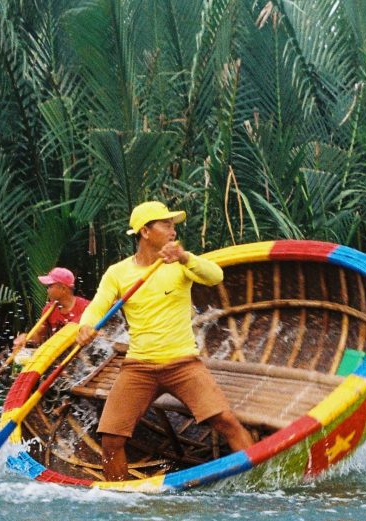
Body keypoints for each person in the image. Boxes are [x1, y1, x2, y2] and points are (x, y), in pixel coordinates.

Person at [76, 200, 254, 481]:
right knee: (111, 439)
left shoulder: (181, 263)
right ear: (145, 232)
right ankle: (120, 498)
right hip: (139, 366)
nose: (173, 231)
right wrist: (85, 326)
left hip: (182, 362)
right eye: (166, 225)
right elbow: (97, 306)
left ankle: (256, 479)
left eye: (174, 226)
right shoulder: (118, 272)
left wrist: (186, 258)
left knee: (226, 421)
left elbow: (215, 276)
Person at [14, 267, 90, 352]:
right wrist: (26, 337)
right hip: (59, 354)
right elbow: (39, 335)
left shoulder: (86, 307)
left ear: (63, 288)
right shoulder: (48, 309)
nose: (47, 290)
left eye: (50, 286)